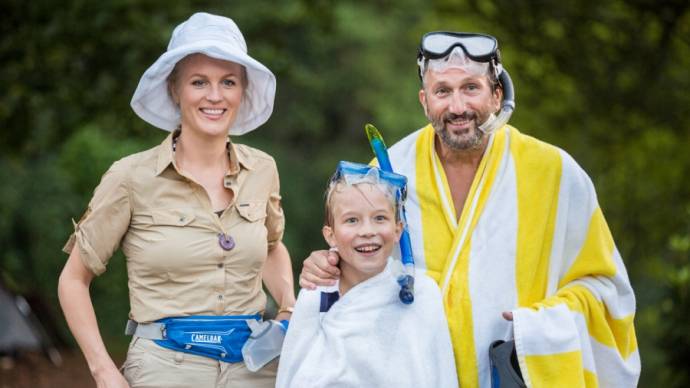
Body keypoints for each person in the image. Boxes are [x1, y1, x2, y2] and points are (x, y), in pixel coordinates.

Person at [300, 31, 641, 387]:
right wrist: (327, 266)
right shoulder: (387, 172)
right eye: (443, 91)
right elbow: (359, 273)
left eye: (471, 88)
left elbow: (607, 292)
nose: (457, 107)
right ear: (424, 100)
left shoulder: (556, 173)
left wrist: (537, 328)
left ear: (497, 96)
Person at [57, 12, 295, 388]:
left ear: (242, 91)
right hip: (164, 368)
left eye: (228, 82)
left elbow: (271, 247)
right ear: (174, 90)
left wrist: (288, 309)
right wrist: (103, 371)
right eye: (199, 82)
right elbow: (73, 280)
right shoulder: (130, 177)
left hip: (257, 368)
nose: (215, 96)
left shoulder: (263, 169)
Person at [277, 161, 457, 388]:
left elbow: (442, 375)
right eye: (352, 220)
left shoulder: (421, 293)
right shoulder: (316, 295)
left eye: (380, 218)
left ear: (398, 230)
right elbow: (291, 376)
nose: (367, 231)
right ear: (331, 235)